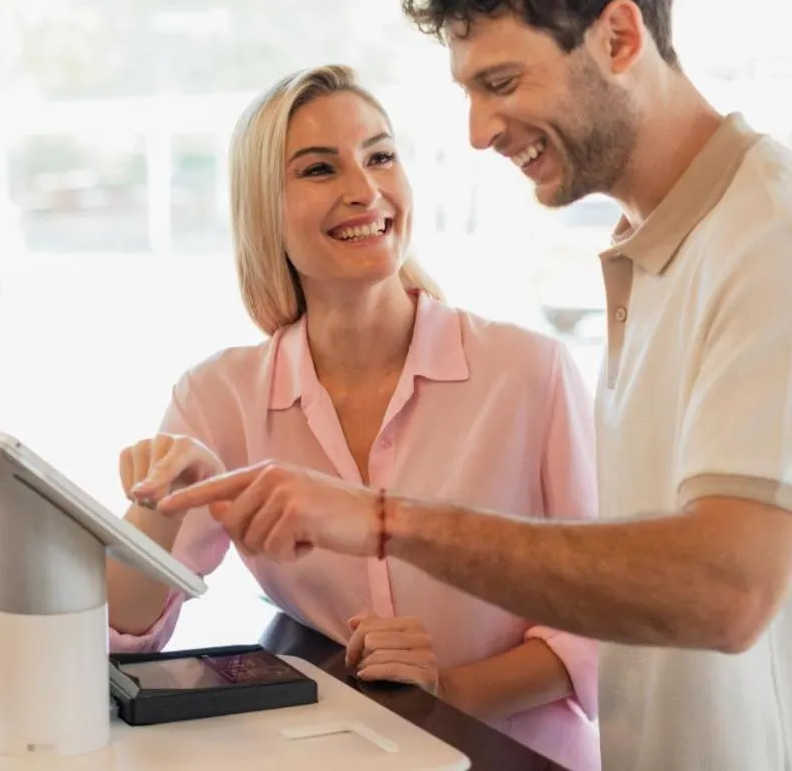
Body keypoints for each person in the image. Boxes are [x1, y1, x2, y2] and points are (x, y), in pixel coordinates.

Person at [156, 0, 792, 771]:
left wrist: (382, 522)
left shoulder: (782, 242)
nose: (478, 131)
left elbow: (725, 591)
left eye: (501, 82)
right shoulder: (660, 252)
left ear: (618, 38)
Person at [106, 64, 601, 770]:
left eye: (380, 156)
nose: (364, 190)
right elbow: (120, 638)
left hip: (517, 756)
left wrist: (446, 693)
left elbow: (606, 623)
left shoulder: (529, 372)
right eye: (319, 169)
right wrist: (154, 509)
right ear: (264, 209)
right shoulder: (219, 396)